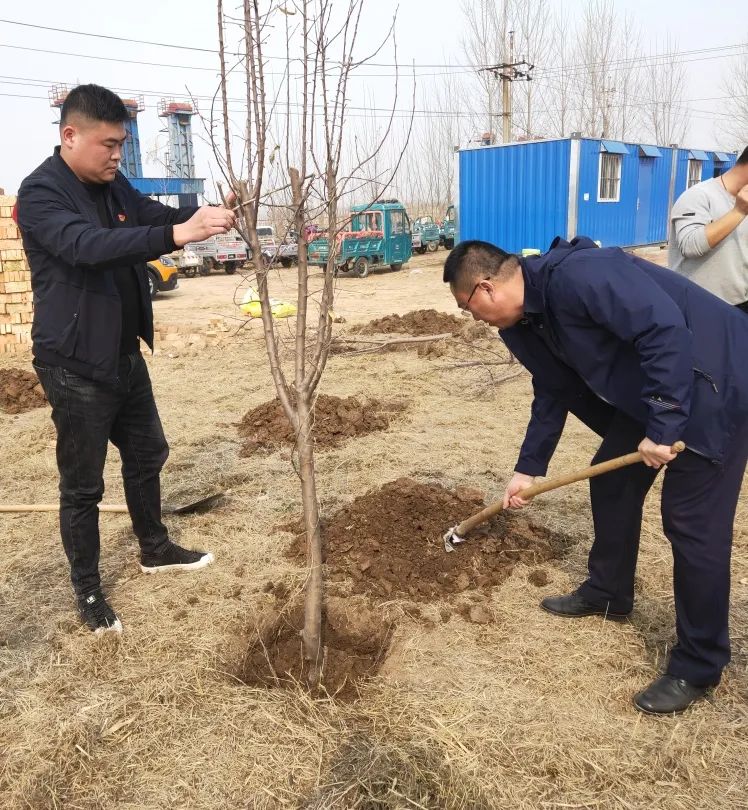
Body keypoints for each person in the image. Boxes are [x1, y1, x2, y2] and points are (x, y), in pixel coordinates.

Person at [444, 237, 748, 714]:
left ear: (484, 288)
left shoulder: (581, 275)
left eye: (467, 308)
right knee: (610, 482)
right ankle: (609, 592)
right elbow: (552, 389)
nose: (472, 319)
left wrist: (665, 423)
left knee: (692, 524)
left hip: (714, 381)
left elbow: (663, 330)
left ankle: (699, 663)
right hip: (658, 386)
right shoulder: (523, 323)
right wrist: (528, 469)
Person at [17, 84, 237, 635]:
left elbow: (154, 215)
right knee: (83, 484)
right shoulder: (42, 193)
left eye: (122, 143)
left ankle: (155, 548)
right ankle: (88, 591)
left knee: (147, 452)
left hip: (121, 351)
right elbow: (85, 247)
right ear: (70, 136)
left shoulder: (115, 185)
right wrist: (175, 234)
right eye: (108, 144)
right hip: (73, 362)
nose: (117, 154)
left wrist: (202, 215)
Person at [669, 146, 748, 311]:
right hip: (698, 308)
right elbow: (690, 245)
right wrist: (739, 211)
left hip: (739, 306)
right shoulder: (699, 196)